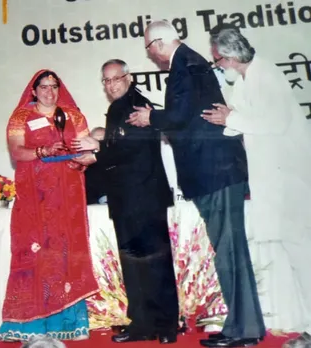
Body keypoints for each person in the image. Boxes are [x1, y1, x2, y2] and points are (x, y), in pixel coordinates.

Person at [127, 21, 266, 347]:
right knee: (231, 252)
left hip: (214, 173)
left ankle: (242, 330)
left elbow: (178, 117)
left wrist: (151, 117)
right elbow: (186, 115)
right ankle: (246, 327)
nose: (151, 55)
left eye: (149, 48)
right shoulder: (189, 62)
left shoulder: (185, 65)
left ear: (157, 44)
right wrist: (160, 116)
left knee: (229, 253)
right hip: (216, 172)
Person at [201, 28, 311, 348]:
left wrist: (231, 117)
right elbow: (240, 123)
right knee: (296, 257)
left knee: (303, 256)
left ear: (231, 57)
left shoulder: (268, 75)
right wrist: (225, 120)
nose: (218, 65)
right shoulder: (247, 79)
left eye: (218, 60)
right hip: (275, 183)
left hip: (291, 183)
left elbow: (274, 123)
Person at [71, 59, 179, 344]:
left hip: (145, 198)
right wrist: (97, 156)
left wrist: (98, 148)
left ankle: (167, 326)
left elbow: (132, 147)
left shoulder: (137, 104)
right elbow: (119, 152)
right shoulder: (117, 108)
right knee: (133, 267)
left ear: (128, 77)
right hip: (126, 199)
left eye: (115, 79)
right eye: (105, 81)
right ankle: (142, 324)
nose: (110, 85)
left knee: (156, 265)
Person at [0, 70, 99, 342]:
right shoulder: (21, 117)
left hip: (68, 197)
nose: (50, 92)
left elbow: (85, 149)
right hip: (36, 199)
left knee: (66, 253)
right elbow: (17, 151)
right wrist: (42, 152)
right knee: (38, 253)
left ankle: (67, 323)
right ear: (34, 90)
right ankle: (33, 327)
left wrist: (84, 159)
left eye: (54, 87)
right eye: (44, 87)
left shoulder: (73, 115)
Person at [84, 127, 108, 205]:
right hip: (90, 198)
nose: (98, 143)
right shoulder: (83, 158)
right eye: (95, 140)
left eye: (101, 141)